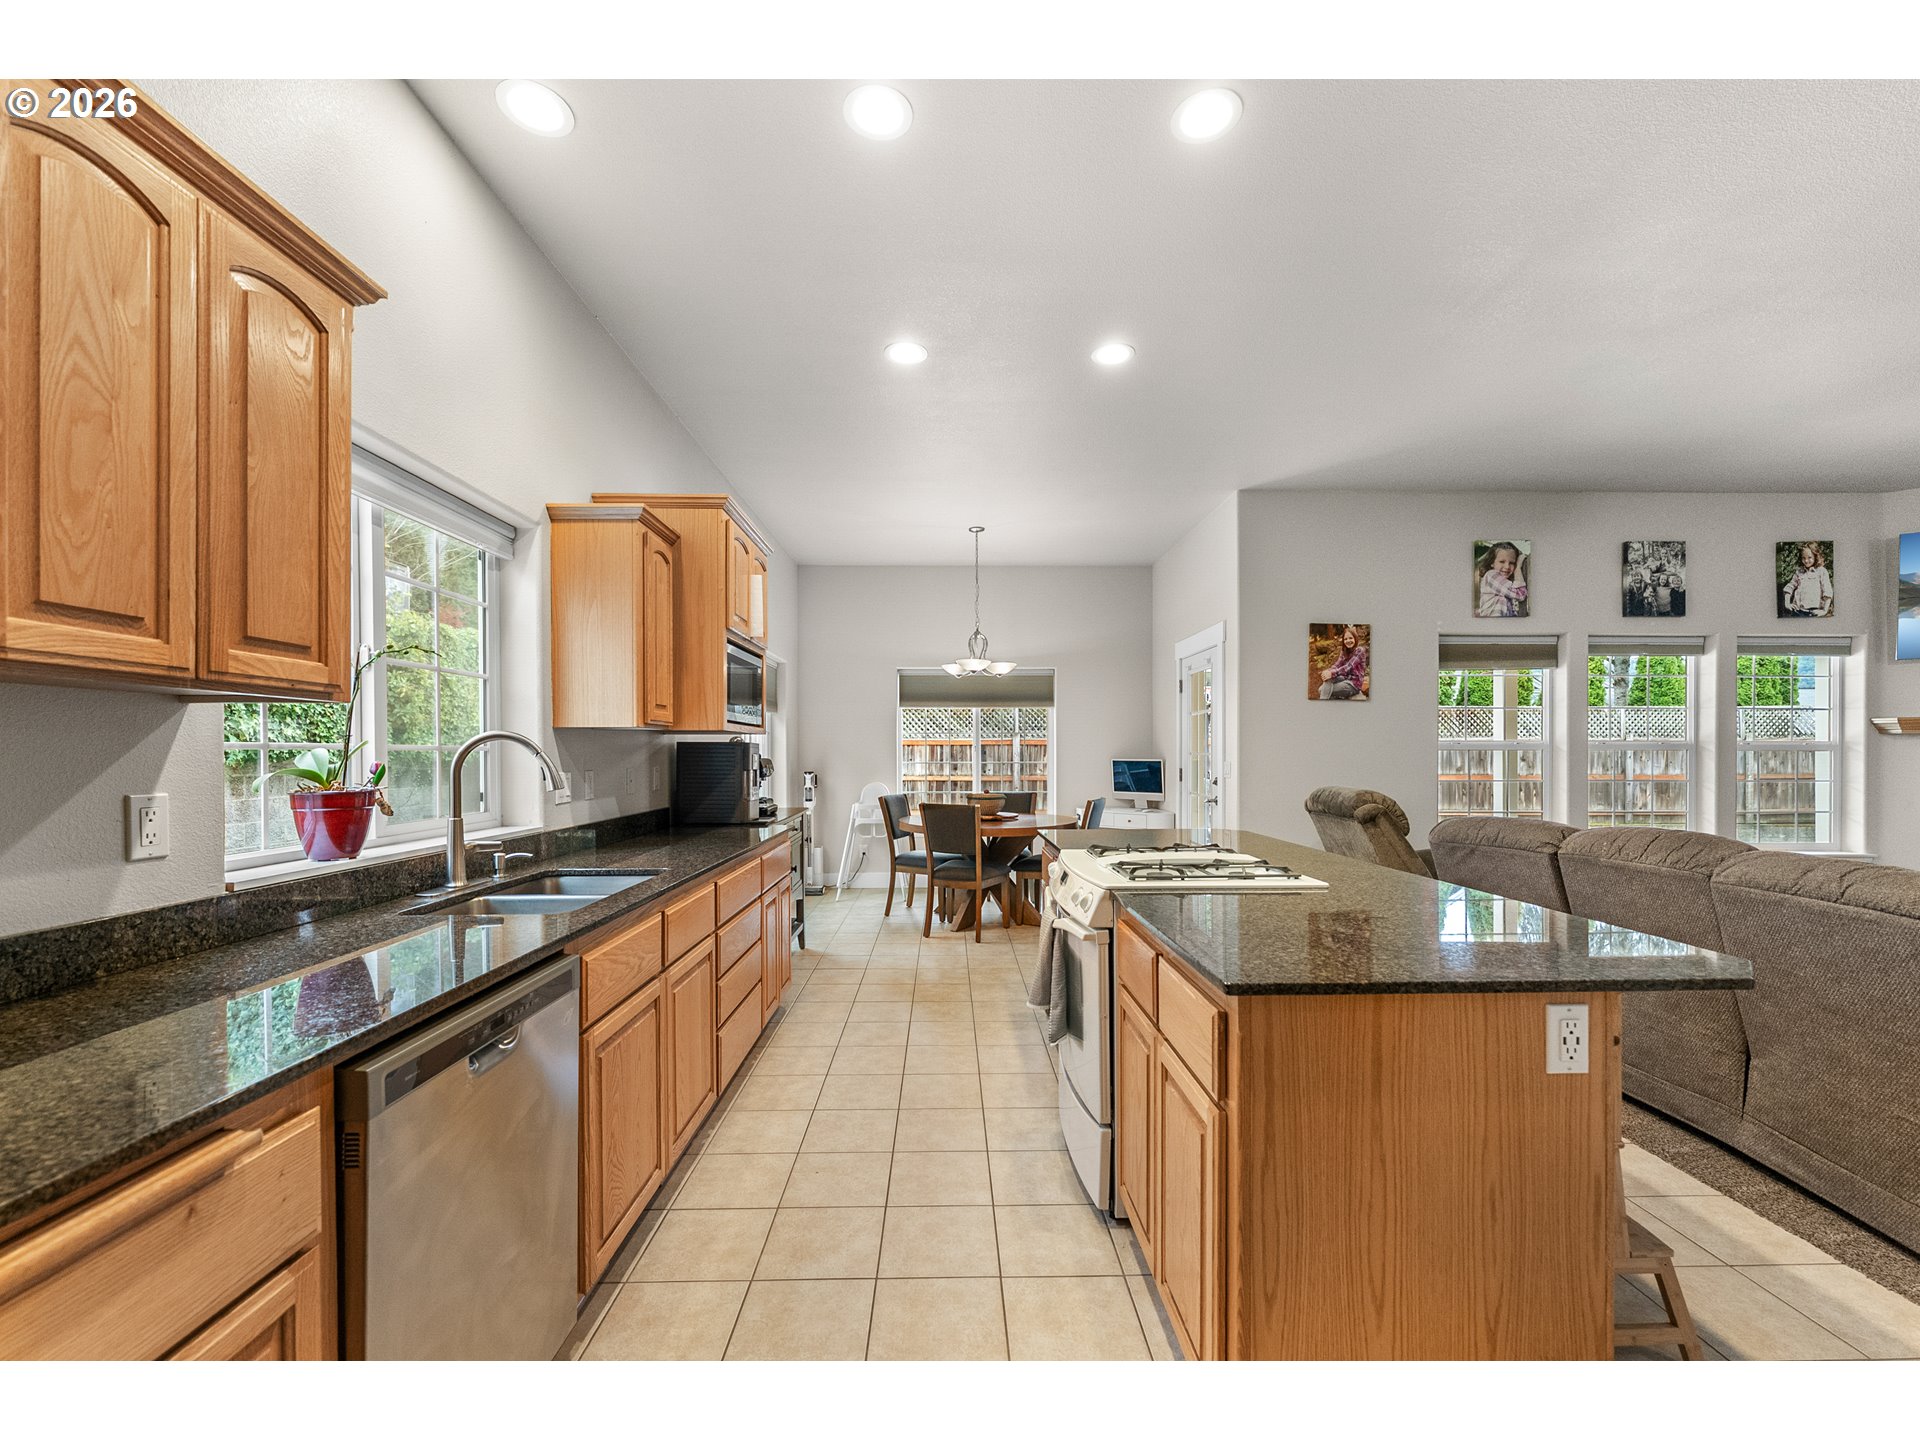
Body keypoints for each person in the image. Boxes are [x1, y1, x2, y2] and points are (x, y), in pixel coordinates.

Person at [1476, 541, 1529, 617]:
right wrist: (1518, 568)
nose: (1507, 566)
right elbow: (1520, 594)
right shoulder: (1491, 575)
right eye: (1502, 561)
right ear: (1492, 562)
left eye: (1512, 563)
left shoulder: (1506, 583)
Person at [1318, 624, 1370, 700]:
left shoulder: (1360, 651)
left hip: (1354, 684)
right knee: (1326, 682)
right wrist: (1328, 671)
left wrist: (1332, 673)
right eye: (1345, 639)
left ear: (1355, 639)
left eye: (1350, 638)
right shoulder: (1344, 651)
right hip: (1344, 678)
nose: (1348, 641)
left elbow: (1348, 667)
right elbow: (1337, 664)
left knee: (1322, 690)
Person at [1782, 542, 1834, 618]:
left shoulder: (1821, 571)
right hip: (1797, 612)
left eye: (1809, 557)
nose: (1806, 561)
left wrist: (1824, 611)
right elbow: (1790, 587)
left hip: (1814, 612)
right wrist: (1787, 603)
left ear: (1815, 556)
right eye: (1803, 558)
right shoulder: (1799, 572)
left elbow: (1827, 591)